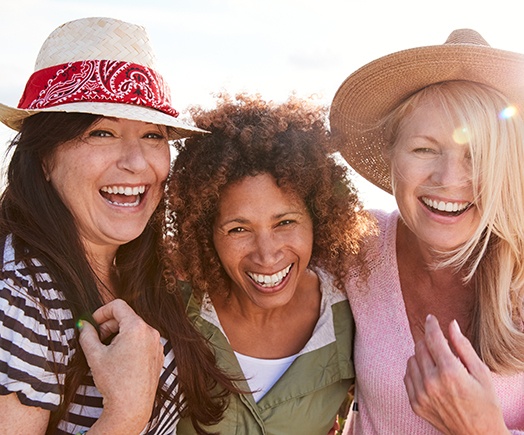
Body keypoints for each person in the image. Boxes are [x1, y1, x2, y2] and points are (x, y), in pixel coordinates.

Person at [0, 17, 237, 434]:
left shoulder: (139, 267)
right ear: (43, 158)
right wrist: (126, 412)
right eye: (102, 132)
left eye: (152, 135)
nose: (136, 163)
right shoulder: (19, 295)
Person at [330, 29, 524, 434]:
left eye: (478, 156)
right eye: (424, 149)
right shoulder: (356, 246)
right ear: (391, 152)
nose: (450, 179)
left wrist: (482, 428)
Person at [165, 93, 374, 434]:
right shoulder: (171, 310)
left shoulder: (349, 316)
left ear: (317, 218)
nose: (266, 254)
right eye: (238, 229)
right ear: (205, 232)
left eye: (285, 223)